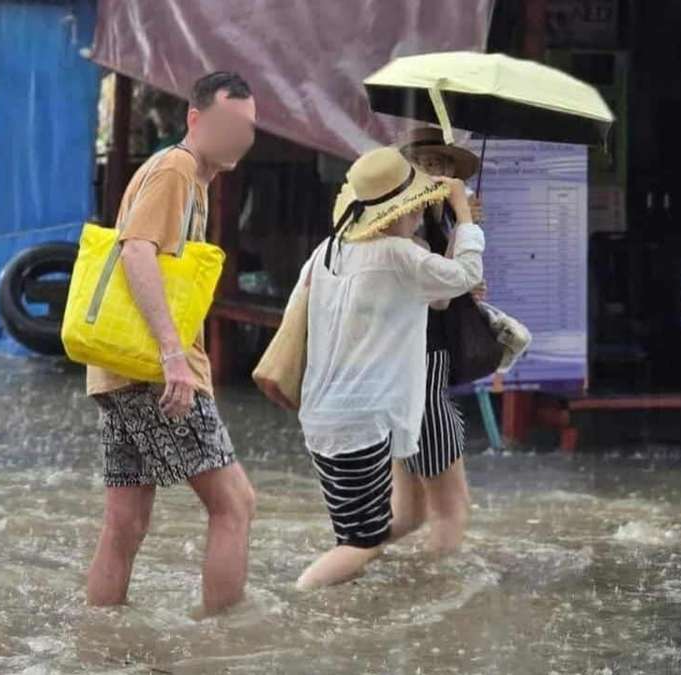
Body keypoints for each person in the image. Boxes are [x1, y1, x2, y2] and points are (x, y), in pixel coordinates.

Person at [85, 72, 258, 615]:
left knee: (126, 522)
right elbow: (137, 251)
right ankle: (222, 647)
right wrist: (173, 356)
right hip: (155, 372)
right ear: (195, 119)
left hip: (121, 370)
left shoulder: (191, 179)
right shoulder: (178, 168)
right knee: (235, 504)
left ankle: (100, 637)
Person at [295, 147, 485, 590]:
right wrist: (465, 215)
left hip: (323, 414)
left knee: (377, 527)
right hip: (362, 419)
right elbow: (465, 276)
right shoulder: (400, 255)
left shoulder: (328, 251)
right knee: (362, 543)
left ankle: (367, 594)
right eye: (415, 205)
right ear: (398, 211)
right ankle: (296, 601)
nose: (420, 213)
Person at [375, 127, 486, 556]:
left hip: (408, 379)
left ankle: (350, 561)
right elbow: (439, 298)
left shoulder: (424, 230)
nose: (437, 175)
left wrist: (460, 233)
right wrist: (466, 220)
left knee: (409, 515)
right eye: (426, 165)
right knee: (452, 509)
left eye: (444, 167)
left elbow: (448, 289)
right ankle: (431, 591)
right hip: (419, 382)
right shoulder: (405, 235)